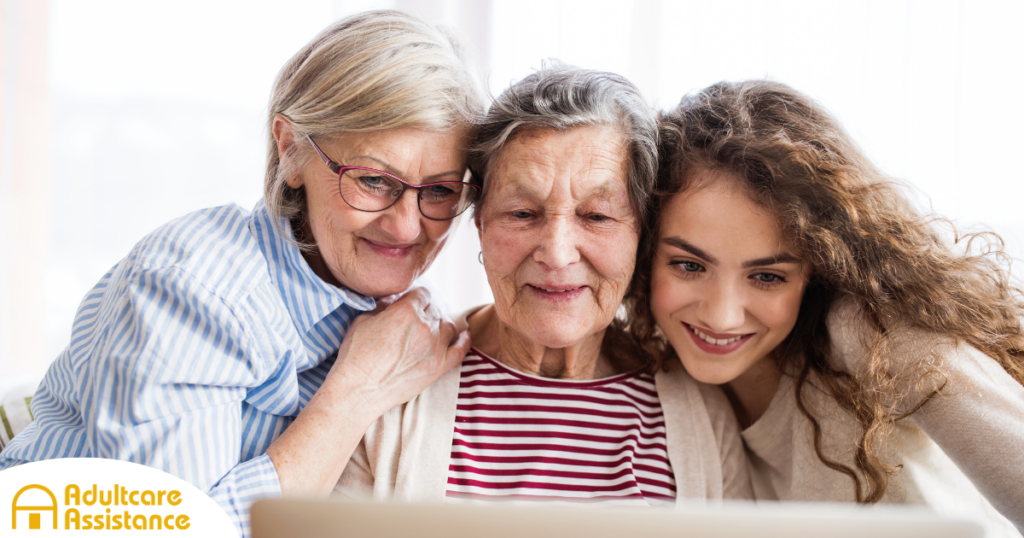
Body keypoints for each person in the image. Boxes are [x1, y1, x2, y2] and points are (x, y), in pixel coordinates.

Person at [0, 11, 484, 537]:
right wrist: (356, 393)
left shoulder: (394, 312)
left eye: (439, 190)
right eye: (371, 180)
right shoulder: (191, 289)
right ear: (292, 150)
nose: (406, 225)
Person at [333, 63, 750, 505]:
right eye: (522, 213)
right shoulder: (393, 385)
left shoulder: (702, 414)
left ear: (640, 233)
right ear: (479, 222)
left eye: (596, 217)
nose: (556, 252)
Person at [629, 80, 1024, 535]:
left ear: (817, 268)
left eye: (767, 276)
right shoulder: (657, 374)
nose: (721, 316)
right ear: (644, 252)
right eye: (688, 265)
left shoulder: (871, 334)